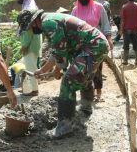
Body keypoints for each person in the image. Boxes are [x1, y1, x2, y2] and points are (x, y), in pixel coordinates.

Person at [23, 9, 109, 139]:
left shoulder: (48, 23)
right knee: (81, 76)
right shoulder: (50, 19)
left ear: (34, 22)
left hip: (92, 47)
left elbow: (60, 52)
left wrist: (57, 69)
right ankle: (86, 107)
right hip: (94, 45)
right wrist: (44, 70)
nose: (30, 30)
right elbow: (59, 50)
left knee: (68, 81)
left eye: (29, 27)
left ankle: (65, 127)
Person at [71, 0, 113, 103]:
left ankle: (98, 93)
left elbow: (105, 24)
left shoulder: (99, 7)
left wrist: (109, 38)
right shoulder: (75, 10)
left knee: (96, 69)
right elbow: (71, 26)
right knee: (82, 69)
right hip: (81, 44)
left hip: (96, 43)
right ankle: (87, 94)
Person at [8, 0, 42, 96]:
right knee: (32, 64)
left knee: (30, 66)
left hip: (30, 43)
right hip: (34, 41)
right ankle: (34, 88)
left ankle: (34, 90)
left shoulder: (28, 8)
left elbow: (28, 29)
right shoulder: (30, 5)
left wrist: (25, 45)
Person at [120, 0, 137, 65]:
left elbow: (123, 20)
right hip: (135, 29)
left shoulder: (124, 7)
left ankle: (125, 60)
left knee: (126, 45)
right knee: (136, 45)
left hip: (126, 29)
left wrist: (121, 30)